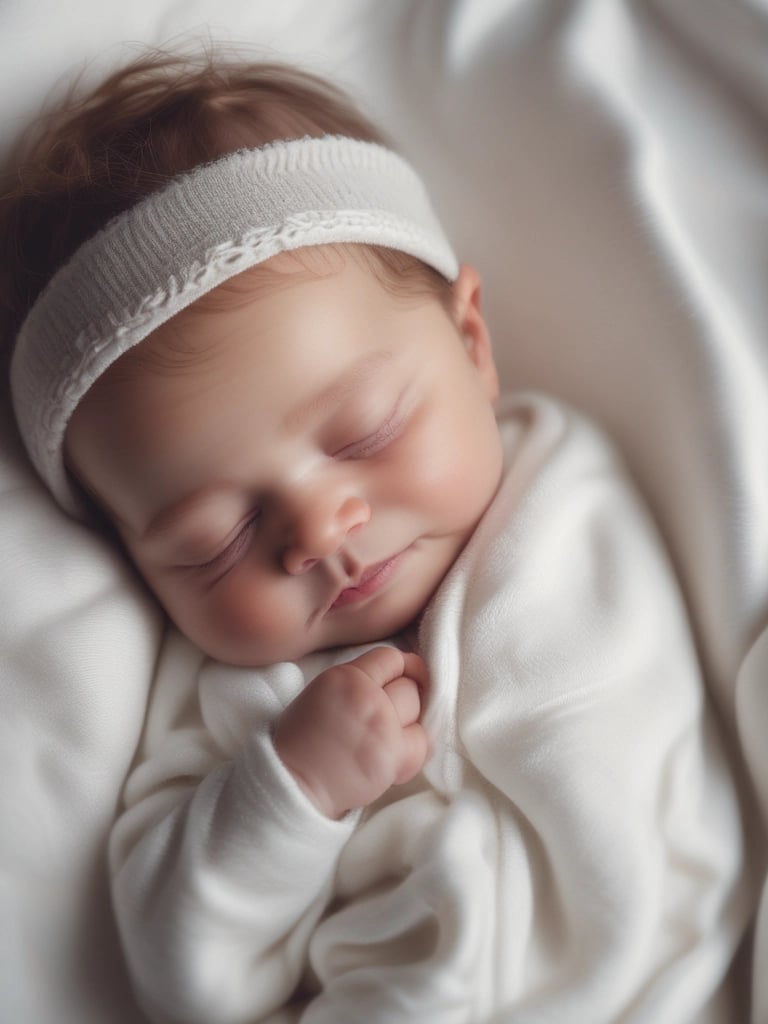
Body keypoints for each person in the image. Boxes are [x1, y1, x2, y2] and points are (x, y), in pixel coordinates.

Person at [4, 48, 747, 1024]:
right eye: (214, 540)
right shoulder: (228, 704)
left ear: (471, 343)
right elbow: (180, 972)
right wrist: (290, 789)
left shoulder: (569, 493)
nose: (317, 531)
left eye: (366, 434)